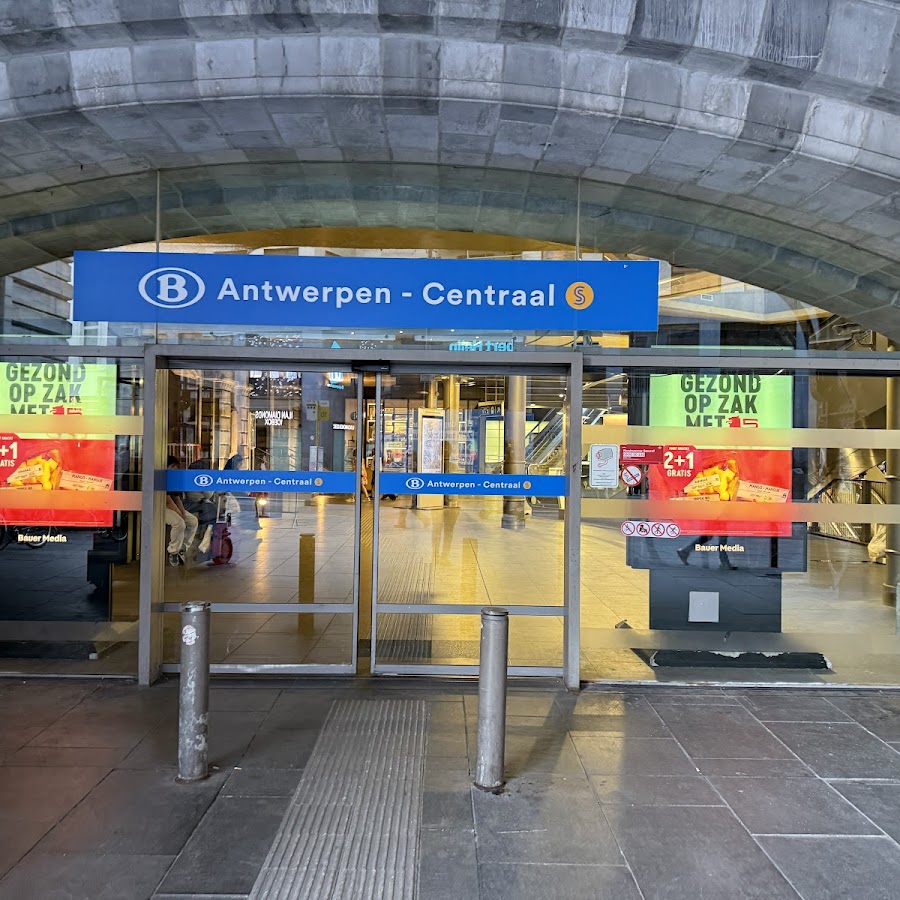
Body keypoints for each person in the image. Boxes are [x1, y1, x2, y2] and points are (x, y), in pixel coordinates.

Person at [166, 455, 198, 565]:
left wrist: (183, 512)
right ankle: (173, 552)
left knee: (193, 521)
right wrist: (180, 514)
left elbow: (176, 498)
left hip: (172, 506)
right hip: (160, 507)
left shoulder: (173, 479)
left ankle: (183, 548)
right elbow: (167, 501)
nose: (175, 469)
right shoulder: (161, 478)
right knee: (179, 523)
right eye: (172, 466)